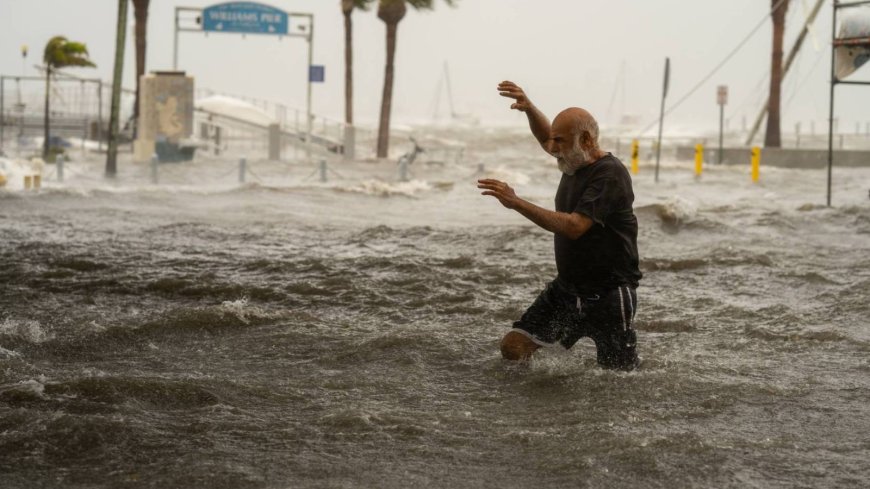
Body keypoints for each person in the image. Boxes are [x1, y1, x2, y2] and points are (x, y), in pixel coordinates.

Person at [477, 81, 642, 370]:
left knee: (618, 378)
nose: (553, 149)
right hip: (567, 290)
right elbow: (546, 138)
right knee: (514, 347)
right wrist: (529, 109)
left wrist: (516, 202)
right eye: (554, 142)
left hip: (609, 295)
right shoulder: (572, 160)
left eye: (561, 142)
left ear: (587, 141)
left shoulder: (609, 174)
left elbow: (575, 226)